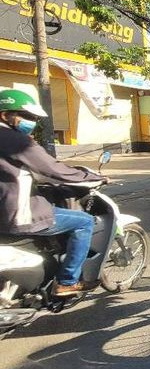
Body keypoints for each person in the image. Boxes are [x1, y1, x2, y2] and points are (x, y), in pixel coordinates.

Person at [0, 89, 106, 296]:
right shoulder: (14, 140)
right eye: (27, 117)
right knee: (84, 221)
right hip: (15, 213)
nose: (31, 122)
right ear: (5, 115)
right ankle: (67, 281)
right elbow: (52, 169)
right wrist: (92, 178)